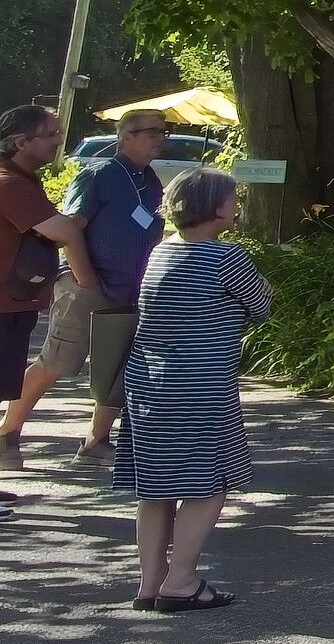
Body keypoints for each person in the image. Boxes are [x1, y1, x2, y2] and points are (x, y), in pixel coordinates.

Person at [115, 169, 271, 611]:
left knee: (156, 486)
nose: (236, 204)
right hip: (202, 386)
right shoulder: (227, 259)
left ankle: (150, 582)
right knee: (208, 483)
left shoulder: (160, 253)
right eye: (232, 198)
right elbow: (260, 307)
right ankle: (182, 578)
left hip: (147, 383)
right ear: (216, 208)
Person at [57, 108, 168, 466]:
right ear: (126, 137)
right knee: (58, 362)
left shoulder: (149, 180)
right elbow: (71, 226)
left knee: (119, 366)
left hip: (130, 288)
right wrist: (85, 277)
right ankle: (9, 432)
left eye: (162, 131)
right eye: (150, 131)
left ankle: (96, 440)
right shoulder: (99, 173)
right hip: (88, 285)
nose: (159, 138)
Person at [0, 103, 90, 472]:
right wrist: (88, 279)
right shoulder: (10, 183)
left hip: (13, 304)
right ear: (21, 141)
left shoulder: (25, 181)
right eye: (51, 134)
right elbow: (64, 230)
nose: (58, 142)